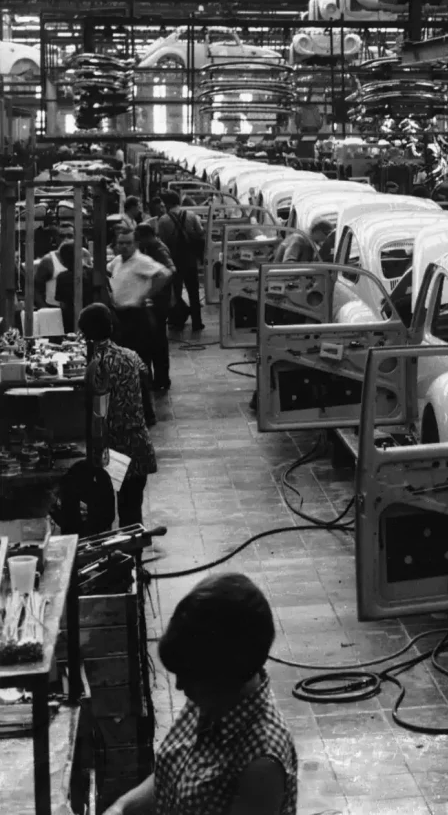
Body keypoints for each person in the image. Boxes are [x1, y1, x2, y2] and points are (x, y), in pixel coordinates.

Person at [103, 573, 298, 815]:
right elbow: (175, 771)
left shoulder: (261, 764)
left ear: (225, 674)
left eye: (189, 676)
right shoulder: (212, 698)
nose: (180, 687)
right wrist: (122, 808)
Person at [78, 303, 157, 527]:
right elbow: (145, 390)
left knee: (103, 515)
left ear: (85, 335)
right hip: (139, 445)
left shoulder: (96, 365)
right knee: (132, 512)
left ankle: (116, 558)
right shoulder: (132, 356)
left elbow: (99, 411)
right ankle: (135, 559)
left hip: (114, 451)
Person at [108, 229, 172, 376]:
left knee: (141, 357)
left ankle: (145, 390)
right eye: (121, 243)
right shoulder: (117, 261)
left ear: (135, 244)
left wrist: (145, 295)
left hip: (137, 314)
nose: (124, 246)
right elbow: (107, 270)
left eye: (128, 243)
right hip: (120, 314)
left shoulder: (141, 261)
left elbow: (164, 274)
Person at [135, 223, 175, 392]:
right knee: (153, 341)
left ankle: (161, 379)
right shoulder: (151, 247)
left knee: (157, 342)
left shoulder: (157, 249)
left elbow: (170, 269)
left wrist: (151, 292)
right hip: (157, 301)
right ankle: (157, 378)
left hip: (158, 303)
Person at [157, 190, 205, 332]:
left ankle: (176, 321)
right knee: (194, 292)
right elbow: (200, 233)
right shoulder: (191, 215)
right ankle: (197, 323)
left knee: (175, 292)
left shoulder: (163, 220)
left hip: (174, 260)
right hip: (190, 259)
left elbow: (163, 242)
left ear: (166, 204)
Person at [34, 227, 91, 310]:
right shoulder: (48, 260)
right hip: (55, 309)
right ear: (56, 238)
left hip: (83, 308)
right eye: (62, 236)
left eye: (70, 236)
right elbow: (35, 289)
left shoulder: (85, 254)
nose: (66, 239)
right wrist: (45, 309)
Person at [55, 240, 95, 333]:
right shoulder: (93, 273)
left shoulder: (62, 277)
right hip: (93, 316)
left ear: (62, 260)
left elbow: (62, 304)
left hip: (71, 320)